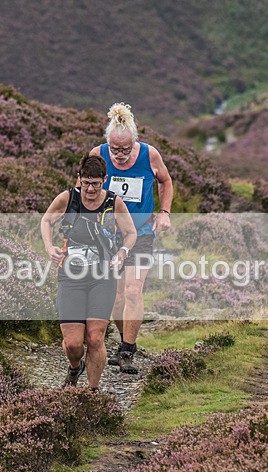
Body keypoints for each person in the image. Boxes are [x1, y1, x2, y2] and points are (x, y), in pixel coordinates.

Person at [82, 102, 173, 374]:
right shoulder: (97, 154)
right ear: (107, 143)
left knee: (133, 290)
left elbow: (165, 181)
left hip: (142, 233)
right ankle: (124, 340)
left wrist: (164, 212)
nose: (119, 155)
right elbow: (84, 186)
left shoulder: (149, 154)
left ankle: (127, 352)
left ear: (134, 141)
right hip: (107, 237)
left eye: (125, 148)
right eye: (114, 149)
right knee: (118, 297)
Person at [41, 154, 136, 389]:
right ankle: (75, 367)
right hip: (71, 277)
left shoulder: (114, 202)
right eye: (86, 183)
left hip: (102, 277)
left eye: (95, 183)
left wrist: (122, 252)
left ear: (105, 179)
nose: (90, 189)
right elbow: (46, 221)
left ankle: (92, 391)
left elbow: (130, 232)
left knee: (95, 338)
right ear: (79, 179)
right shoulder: (67, 198)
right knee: (73, 344)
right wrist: (49, 246)